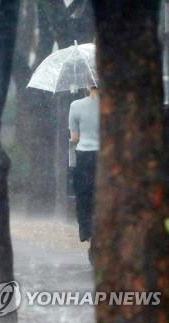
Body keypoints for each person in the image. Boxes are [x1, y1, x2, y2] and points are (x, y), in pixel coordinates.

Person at [69, 86, 99, 243]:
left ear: (88, 85)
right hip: (104, 157)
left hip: (84, 157)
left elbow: (74, 138)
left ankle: (87, 232)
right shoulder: (111, 106)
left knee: (83, 196)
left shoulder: (76, 105)